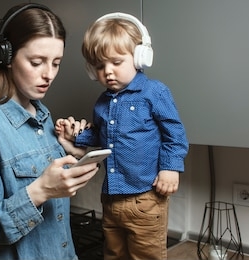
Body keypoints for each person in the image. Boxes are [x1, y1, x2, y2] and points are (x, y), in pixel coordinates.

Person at [0, 3, 98, 260]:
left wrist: (73, 156)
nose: (49, 74)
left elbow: (52, 206)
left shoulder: (44, 117)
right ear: (5, 57)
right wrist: (39, 192)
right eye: (36, 62)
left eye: (56, 63)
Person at [56, 12, 189, 260]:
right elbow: (100, 137)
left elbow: (175, 134)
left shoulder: (154, 92)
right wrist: (75, 137)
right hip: (111, 200)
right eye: (99, 66)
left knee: (145, 256)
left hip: (146, 199)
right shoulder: (101, 103)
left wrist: (171, 168)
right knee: (113, 254)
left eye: (116, 62)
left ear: (140, 57)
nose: (107, 72)